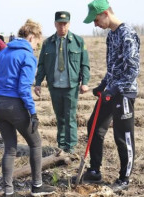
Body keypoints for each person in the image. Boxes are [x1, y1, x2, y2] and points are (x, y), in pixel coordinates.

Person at [0, 19, 55, 197]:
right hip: (14, 105)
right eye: (37, 42)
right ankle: (37, 186)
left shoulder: (3, 53)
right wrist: (33, 112)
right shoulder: (28, 56)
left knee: (10, 148)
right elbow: (24, 88)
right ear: (31, 37)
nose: (37, 46)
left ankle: (8, 191)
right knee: (36, 143)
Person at [81, 0, 140, 192]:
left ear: (105, 13)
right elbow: (113, 67)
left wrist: (114, 89)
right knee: (94, 126)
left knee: (123, 136)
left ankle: (124, 178)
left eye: (96, 20)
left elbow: (132, 70)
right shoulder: (111, 36)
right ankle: (95, 171)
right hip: (111, 91)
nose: (95, 24)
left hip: (124, 93)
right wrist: (103, 85)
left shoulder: (127, 34)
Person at [34, 11, 90, 154]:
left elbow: (85, 64)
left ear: (69, 24)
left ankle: (70, 147)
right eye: (59, 23)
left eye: (65, 24)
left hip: (71, 86)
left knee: (70, 116)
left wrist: (85, 82)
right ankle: (61, 145)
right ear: (55, 24)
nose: (62, 27)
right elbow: (41, 65)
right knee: (59, 117)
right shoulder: (47, 43)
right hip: (54, 86)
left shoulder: (78, 41)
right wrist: (38, 82)